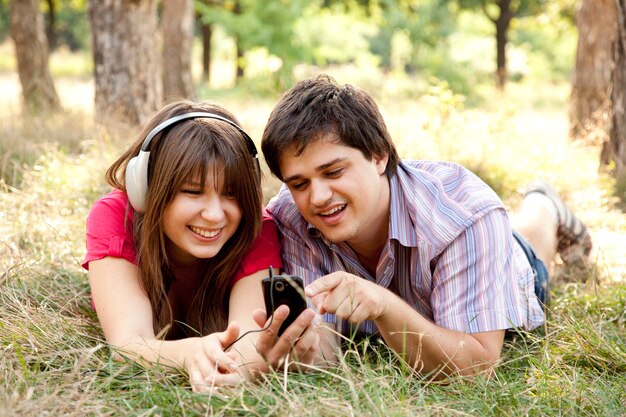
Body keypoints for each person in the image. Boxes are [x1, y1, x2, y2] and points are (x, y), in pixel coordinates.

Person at [260, 74, 593, 378]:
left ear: (378, 156)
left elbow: (477, 369)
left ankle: (545, 204)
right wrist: (300, 347)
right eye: (299, 183)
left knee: (532, 240)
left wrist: (385, 306)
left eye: (333, 172)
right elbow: (325, 349)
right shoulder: (289, 216)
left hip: (511, 267)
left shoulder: (465, 215)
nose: (317, 197)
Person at [82, 100, 326, 392]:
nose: (214, 215)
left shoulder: (257, 227)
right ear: (145, 189)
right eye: (193, 192)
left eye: (231, 194)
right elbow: (127, 346)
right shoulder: (114, 215)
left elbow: (251, 340)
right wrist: (188, 354)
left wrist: (237, 371)